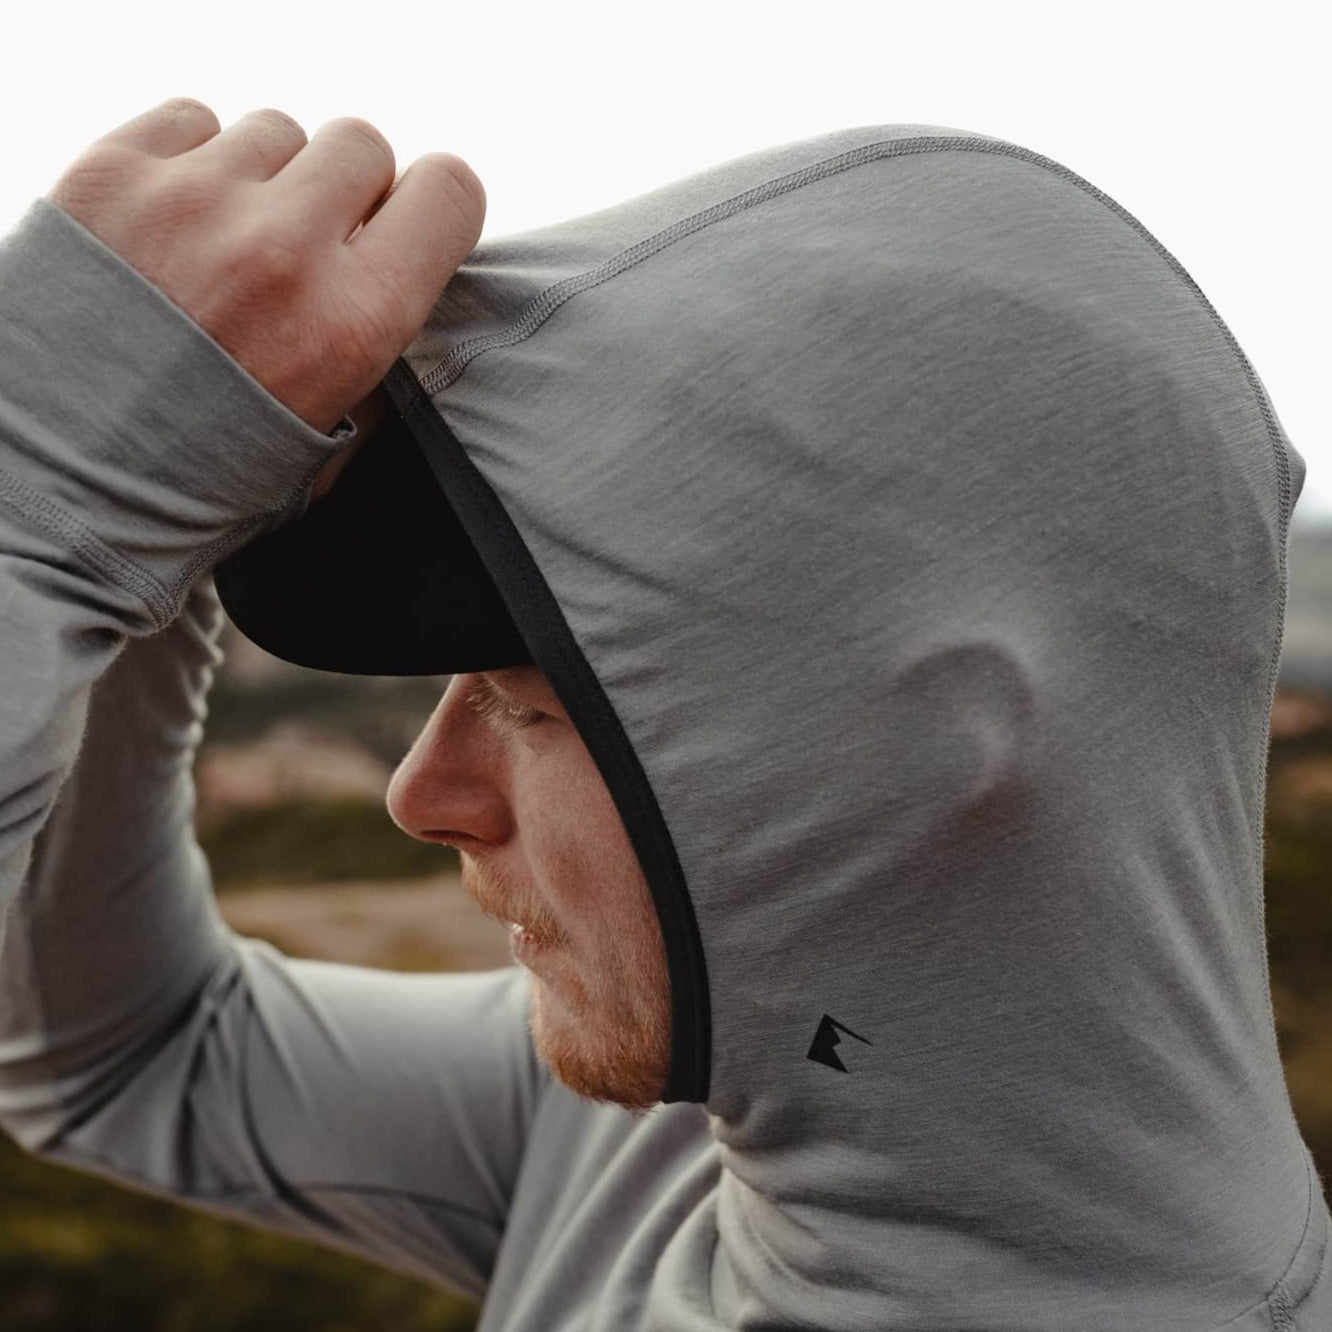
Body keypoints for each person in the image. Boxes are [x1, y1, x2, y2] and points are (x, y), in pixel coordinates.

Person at [0, 98, 1326, 1331]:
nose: (423, 793)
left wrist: (33, 510)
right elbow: (129, 1049)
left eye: (533, 709)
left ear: (913, 748)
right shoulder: (694, 1120)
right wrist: (133, 546)